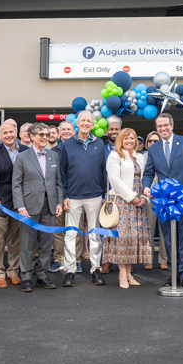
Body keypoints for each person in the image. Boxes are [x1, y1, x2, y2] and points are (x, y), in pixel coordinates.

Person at [143, 113, 183, 290]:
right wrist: (146, 186)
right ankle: (173, 274)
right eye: (159, 126)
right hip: (165, 202)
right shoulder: (154, 149)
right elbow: (148, 172)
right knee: (169, 240)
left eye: (165, 125)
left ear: (172, 125)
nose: (162, 129)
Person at [60, 110, 108, 287]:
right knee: (70, 235)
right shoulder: (67, 145)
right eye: (83, 121)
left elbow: (103, 169)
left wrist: (103, 194)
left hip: (95, 196)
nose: (86, 123)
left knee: (95, 235)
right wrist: (65, 195)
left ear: (93, 124)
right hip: (73, 197)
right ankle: (70, 271)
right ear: (77, 124)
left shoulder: (100, 144)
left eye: (89, 121)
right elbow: (62, 172)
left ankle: (96, 269)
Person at [13, 123, 63, 291]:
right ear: (31, 136)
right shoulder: (21, 157)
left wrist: (59, 202)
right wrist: (20, 207)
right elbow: (16, 184)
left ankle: (42, 275)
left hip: (49, 206)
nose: (44, 137)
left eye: (46, 134)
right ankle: (26, 275)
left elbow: (58, 182)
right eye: (40, 134)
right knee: (26, 244)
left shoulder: (53, 155)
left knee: (46, 243)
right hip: (29, 207)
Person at [103, 128, 151, 288]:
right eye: (126, 139)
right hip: (122, 203)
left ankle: (129, 273)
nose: (129, 141)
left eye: (132, 138)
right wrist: (132, 197)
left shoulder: (140, 157)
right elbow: (115, 180)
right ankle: (122, 275)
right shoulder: (115, 156)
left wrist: (144, 198)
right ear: (121, 141)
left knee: (133, 240)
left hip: (139, 204)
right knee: (122, 239)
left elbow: (145, 178)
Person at [0, 122, 30, 288]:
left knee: (17, 239)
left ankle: (13, 271)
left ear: (16, 132)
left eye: (11, 132)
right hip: (1, 203)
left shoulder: (27, 151)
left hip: (21, 204)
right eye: (5, 133)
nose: (9, 135)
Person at [49, 120, 84, 273]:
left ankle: (76, 260)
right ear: (59, 132)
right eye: (63, 130)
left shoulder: (81, 148)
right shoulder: (53, 151)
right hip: (58, 196)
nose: (66, 132)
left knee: (76, 229)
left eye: (69, 129)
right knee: (58, 230)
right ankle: (58, 259)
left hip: (76, 195)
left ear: (74, 131)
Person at [143, 131, 168, 271]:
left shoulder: (167, 156)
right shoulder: (142, 157)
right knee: (149, 231)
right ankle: (148, 259)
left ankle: (163, 259)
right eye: (150, 141)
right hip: (149, 199)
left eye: (155, 141)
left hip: (164, 198)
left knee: (164, 231)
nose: (152, 143)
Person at [102, 119, 122, 274]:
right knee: (107, 228)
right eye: (111, 129)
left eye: (117, 129)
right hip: (106, 193)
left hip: (123, 194)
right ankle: (107, 261)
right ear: (107, 132)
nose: (114, 131)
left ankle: (124, 262)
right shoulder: (101, 150)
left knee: (123, 230)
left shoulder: (127, 149)